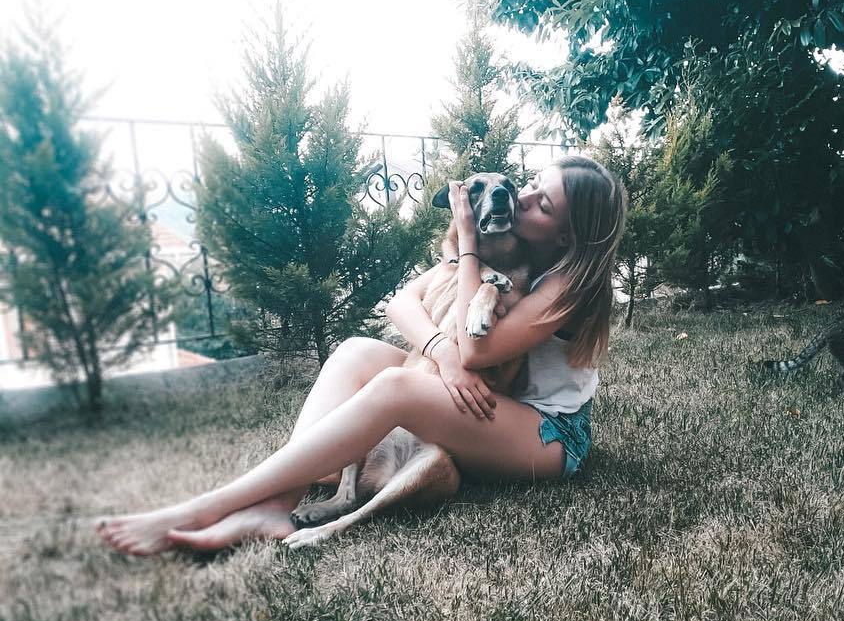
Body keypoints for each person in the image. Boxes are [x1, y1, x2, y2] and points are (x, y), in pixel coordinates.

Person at [97, 156, 626, 555]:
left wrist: (466, 245)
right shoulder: (511, 248)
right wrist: (438, 349)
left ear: (568, 235)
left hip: (548, 435)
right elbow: (401, 304)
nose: (520, 199)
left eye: (542, 204)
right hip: (494, 397)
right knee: (354, 351)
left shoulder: (567, 284)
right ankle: (278, 503)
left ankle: (201, 509)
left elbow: (475, 349)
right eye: (530, 185)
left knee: (397, 386)